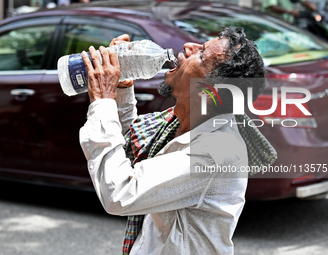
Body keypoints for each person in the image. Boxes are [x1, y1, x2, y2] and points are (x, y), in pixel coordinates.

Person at [79, 27, 277, 255]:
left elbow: (121, 192)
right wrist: (122, 88)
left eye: (201, 54)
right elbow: (130, 148)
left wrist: (103, 101)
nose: (188, 47)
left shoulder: (216, 151)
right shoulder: (179, 120)